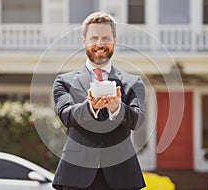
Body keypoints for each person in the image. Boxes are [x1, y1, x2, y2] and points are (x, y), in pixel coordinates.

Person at [52, 12, 146, 190]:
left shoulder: (133, 83)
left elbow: (138, 120)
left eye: (105, 38)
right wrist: (90, 107)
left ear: (115, 40)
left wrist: (118, 109)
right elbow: (65, 116)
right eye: (94, 38)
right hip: (76, 176)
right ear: (84, 41)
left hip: (122, 177)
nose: (100, 43)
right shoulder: (64, 81)